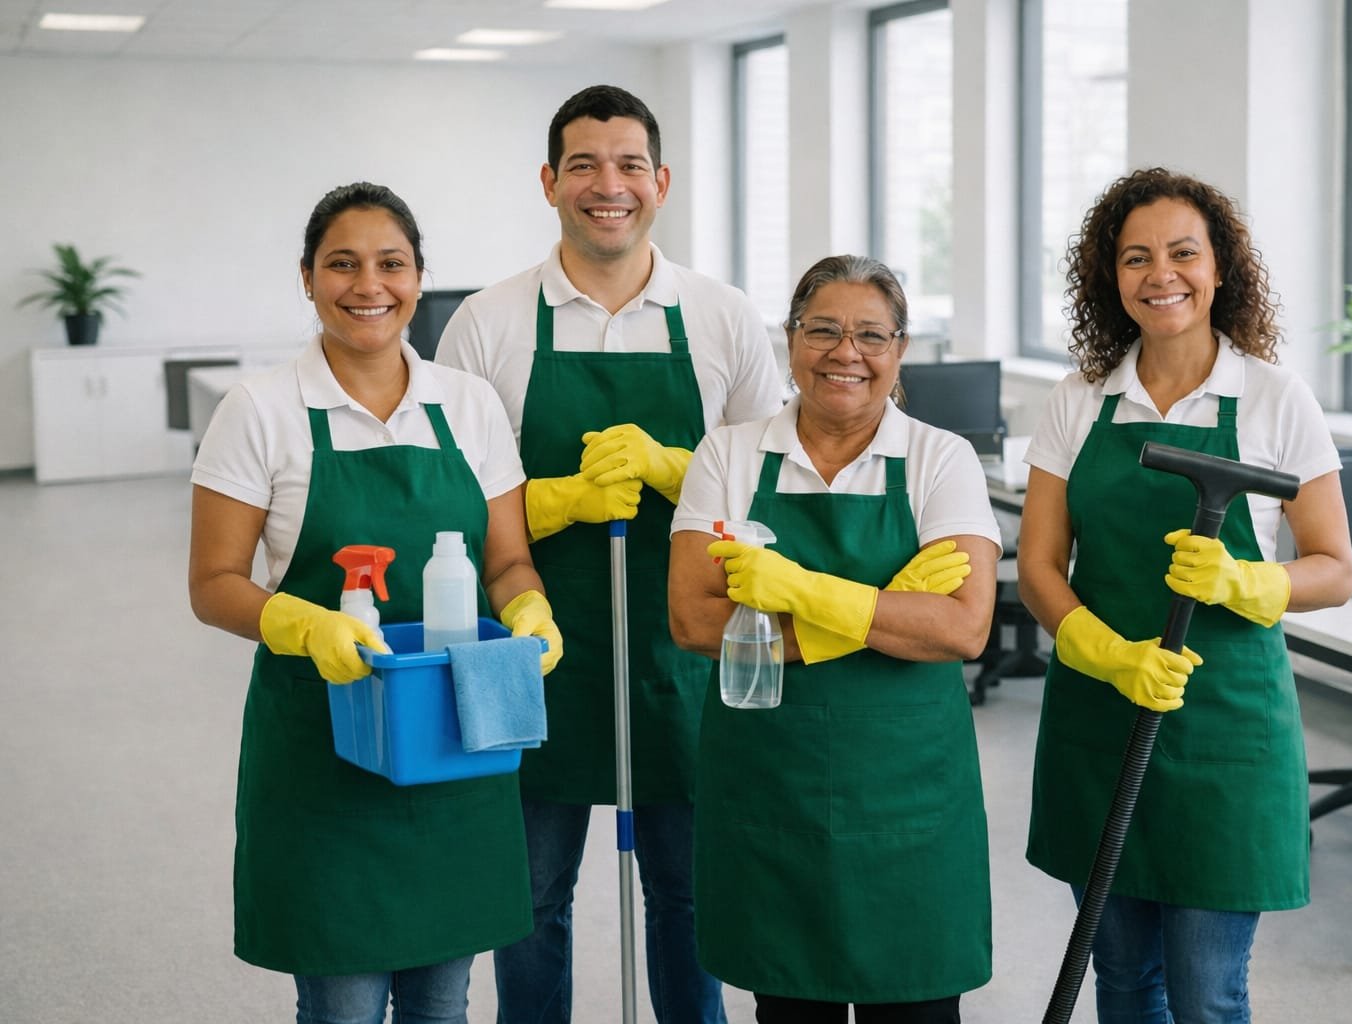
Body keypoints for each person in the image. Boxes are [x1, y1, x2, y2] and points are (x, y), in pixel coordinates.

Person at [434, 84, 782, 1023]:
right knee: (531, 900)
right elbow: (450, 501)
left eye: (629, 164)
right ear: (549, 182)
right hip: (532, 647)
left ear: (661, 181)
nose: (608, 185)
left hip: (679, 656)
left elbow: (771, 500)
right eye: (583, 165)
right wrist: (560, 500)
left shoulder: (721, 317)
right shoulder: (486, 322)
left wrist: (681, 470)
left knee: (688, 894)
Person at [188, 181, 564, 1024]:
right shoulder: (261, 410)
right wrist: (298, 619)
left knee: (442, 1001)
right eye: (343, 264)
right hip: (325, 749)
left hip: (452, 742)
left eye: (391, 264)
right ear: (308, 278)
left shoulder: (467, 405)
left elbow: (506, 560)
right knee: (344, 1002)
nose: (369, 286)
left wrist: (530, 609)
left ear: (420, 277)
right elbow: (213, 584)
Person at [1017, 167, 1352, 1022]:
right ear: (1111, 278)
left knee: (1207, 993)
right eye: (1136, 258)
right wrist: (1101, 649)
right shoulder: (1080, 399)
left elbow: (1334, 566)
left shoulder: (1276, 398)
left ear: (1219, 268)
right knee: (1125, 980)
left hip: (1226, 730)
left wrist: (1248, 579)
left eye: (1181, 253)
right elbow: (1040, 566)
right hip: (1100, 715)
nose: (1160, 274)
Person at [669, 254, 1000, 1024]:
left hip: (909, 797)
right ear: (789, 339)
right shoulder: (729, 454)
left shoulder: (937, 459)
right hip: (768, 787)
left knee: (916, 1010)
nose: (845, 353)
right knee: (789, 1010)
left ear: (900, 350)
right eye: (822, 330)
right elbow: (692, 620)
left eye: (870, 335)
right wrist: (879, 614)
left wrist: (799, 595)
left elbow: (962, 626)